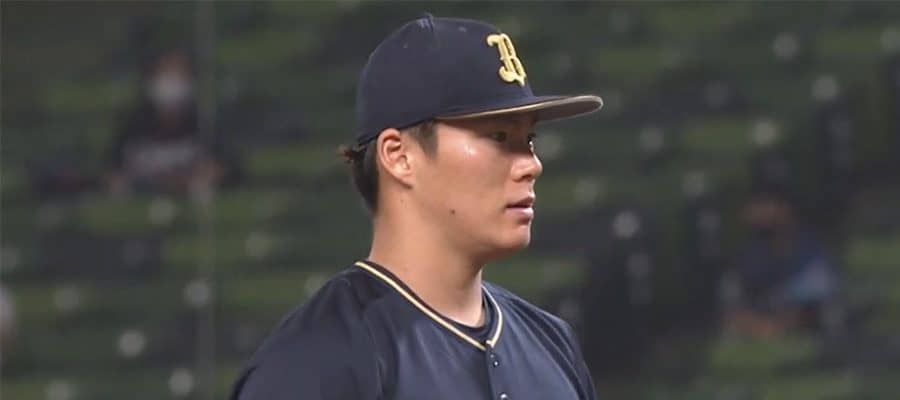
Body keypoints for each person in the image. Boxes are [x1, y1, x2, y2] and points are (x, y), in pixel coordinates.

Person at [230, 14, 603, 399]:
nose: (532, 164)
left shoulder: (552, 345)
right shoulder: (316, 362)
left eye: (529, 140)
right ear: (399, 156)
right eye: (498, 135)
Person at [106, 48, 237, 196]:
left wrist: (205, 175)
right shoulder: (132, 123)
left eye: (178, 74)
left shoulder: (205, 124)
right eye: (166, 73)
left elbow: (223, 167)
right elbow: (112, 172)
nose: (171, 82)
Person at [724, 186, 841, 338]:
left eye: (763, 204)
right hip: (760, 330)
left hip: (809, 333)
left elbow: (817, 306)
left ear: (785, 209)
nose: (754, 213)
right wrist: (758, 326)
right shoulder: (750, 253)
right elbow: (733, 309)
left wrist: (777, 326)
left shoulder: (811, 253)